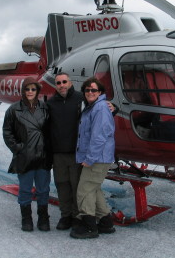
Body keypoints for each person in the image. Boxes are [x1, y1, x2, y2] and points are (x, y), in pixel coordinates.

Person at [2, 77, 51, 232]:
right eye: (27, 89)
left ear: (37, 91)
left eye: (33, 89)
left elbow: (51, 130)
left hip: (42, 156)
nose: (30, 92)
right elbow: (7, 132)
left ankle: (43, 218)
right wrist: (18, 148)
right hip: (25, 157)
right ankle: (26, 219)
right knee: (25, 189)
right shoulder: (13, 109)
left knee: (43, 189)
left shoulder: (45, 108)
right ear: (23, 91)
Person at [70, 77, 116, 239]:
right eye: (87, 90)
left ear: (100, 92)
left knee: (84, 190)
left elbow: (99, 137)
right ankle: (105, 223)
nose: (90, 92)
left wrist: (89, 158)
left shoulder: (100, 108)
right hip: (98, 157)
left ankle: (89, 226)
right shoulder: (93, 107)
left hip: (97, 158)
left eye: (93, 90)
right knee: (93, 189)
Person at [46, 72, 84, 230]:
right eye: (58, 83)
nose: (61, 85)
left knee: (76, 185)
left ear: (70, 82)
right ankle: (65, 215)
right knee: (61, 184)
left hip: (76, 152)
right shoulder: (51, 103)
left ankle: (76, 216)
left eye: (64, 82)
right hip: (58, 153)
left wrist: (113, 108)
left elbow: (99, 108)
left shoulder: (81, 98)